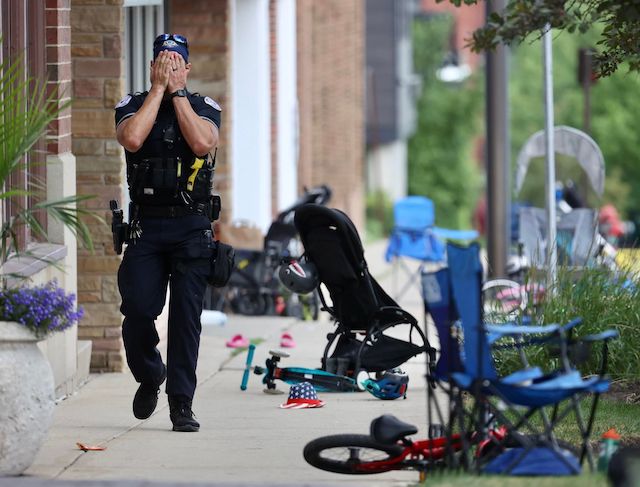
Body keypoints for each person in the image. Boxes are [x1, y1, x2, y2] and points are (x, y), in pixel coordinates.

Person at [114, 33, 221, 432]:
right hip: (147, 226)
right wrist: (158, 90)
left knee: (185, 317)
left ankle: (181, 403)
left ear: (188, 68)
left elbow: (200, 142)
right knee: (138, 310)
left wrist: (176, 93)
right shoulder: (131, 105)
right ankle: (150, 374)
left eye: (178, 61)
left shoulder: (203, 107)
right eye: (164, 60)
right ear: (153, 65)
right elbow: (133, 138)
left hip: (191, 226)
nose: (171, 65)